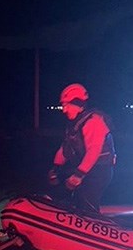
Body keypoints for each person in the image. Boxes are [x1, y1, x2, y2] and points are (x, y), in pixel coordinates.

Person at [47, 83, 116, 214]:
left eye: (66, 105)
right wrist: (55, 168)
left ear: (78, 105)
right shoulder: (74, 124)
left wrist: (78, 176)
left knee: (87, 200)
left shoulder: (94, 121)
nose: (64, 110)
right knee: (62, 190)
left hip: (99, 170)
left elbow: (93, 151)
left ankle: (92, 220)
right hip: (85, 168)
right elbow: (65, 148)